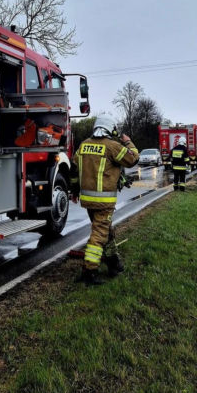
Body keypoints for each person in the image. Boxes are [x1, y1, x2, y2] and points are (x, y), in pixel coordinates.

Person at [71, 114, 139, 285]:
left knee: (106, 232)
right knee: (99, 235)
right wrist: (128, 142)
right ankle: (89, 271)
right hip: (104, 202)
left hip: (87, 201)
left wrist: (73, 190)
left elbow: (73, 170)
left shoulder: (84, 145)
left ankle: (114, 263)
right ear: (111, 128)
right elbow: (132, 159)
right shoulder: (112, 146)